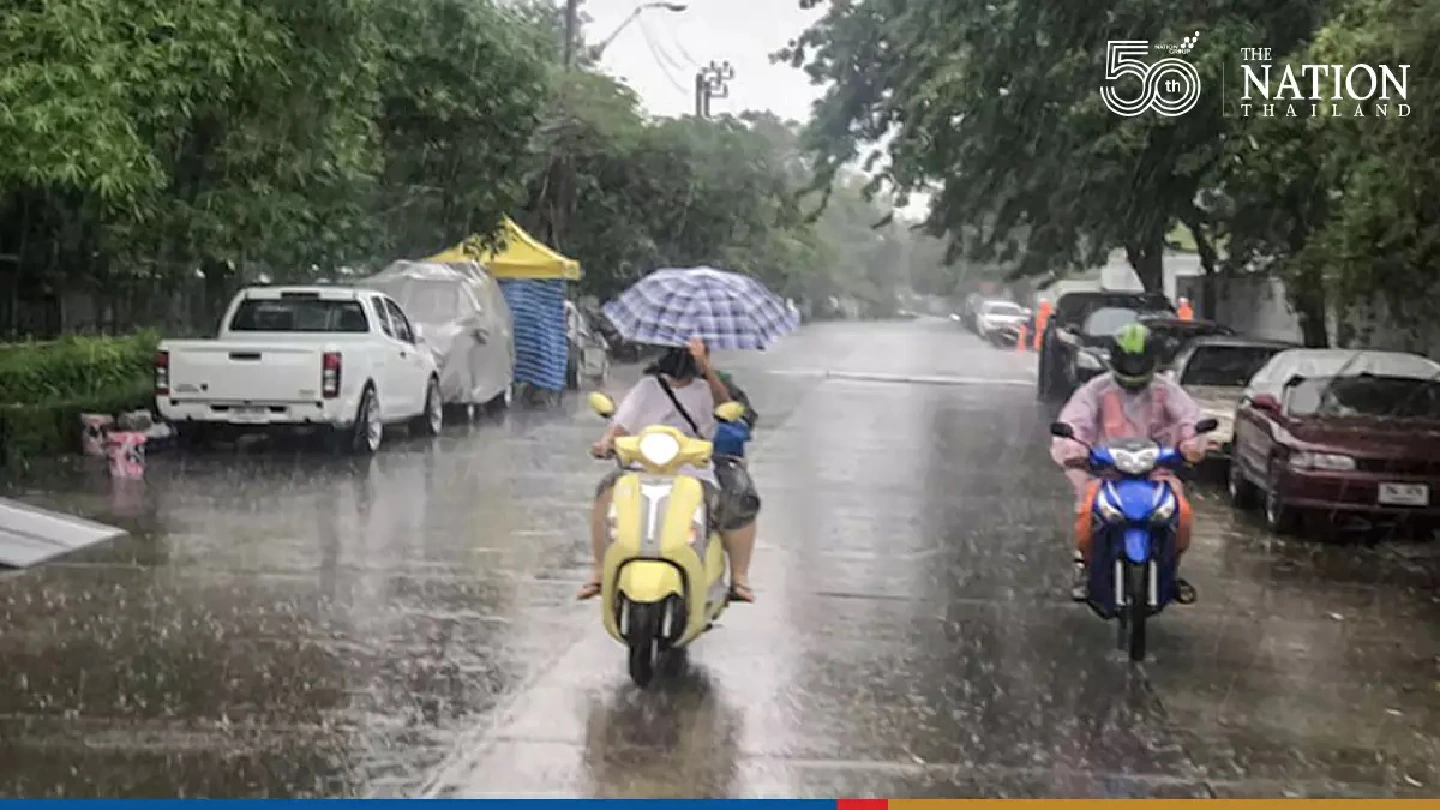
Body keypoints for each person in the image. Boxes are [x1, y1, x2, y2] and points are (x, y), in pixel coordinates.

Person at [578, 337, 762, 602]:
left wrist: (705, 367)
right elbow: (622, 423)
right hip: (644, 466)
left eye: (692, 354)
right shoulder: (648, 387)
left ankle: (740, 578)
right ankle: (598, 571)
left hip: (695, 468)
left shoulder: (710, 386)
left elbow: (727, 407)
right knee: (607, 491)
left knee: (739, 499)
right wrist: (606, 442)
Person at [1049, 322, 1205, 602]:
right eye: (1128, 361)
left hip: (1157, 472)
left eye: (1139, 361)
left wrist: (1192, 444)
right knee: (1088, 515)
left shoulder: (1167, 391)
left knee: (1180, 516)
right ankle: (1087, 567)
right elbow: (1073, 421)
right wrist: (1073, 448)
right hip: (1105, 473)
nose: (1133, 368)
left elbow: (1189, 419)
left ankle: (1171, 571)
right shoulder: (1095, 390)